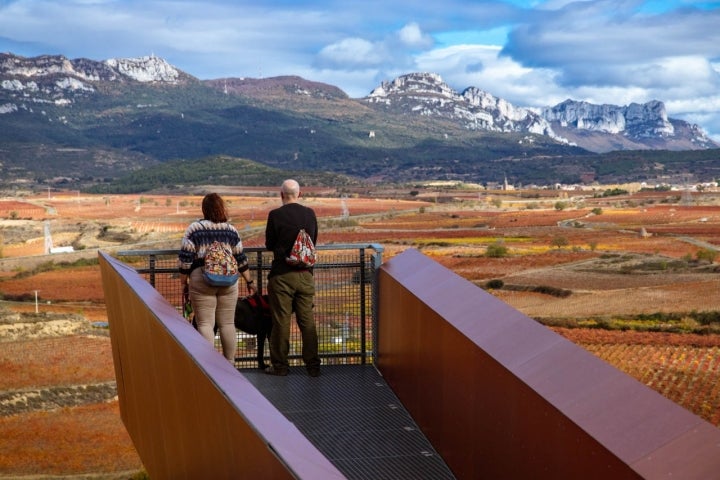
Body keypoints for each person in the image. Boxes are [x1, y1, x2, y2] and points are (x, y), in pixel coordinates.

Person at [178, 193, 256, 363]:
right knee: (227, 324)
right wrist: (249, 281)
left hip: (202, 279)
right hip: (229, 281)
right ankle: (230, 364)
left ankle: (209, 366)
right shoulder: (230, 230)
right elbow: (240, 258)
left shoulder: (195, 229)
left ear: (204, 209)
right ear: (222, 208)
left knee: (205, 323)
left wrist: (183, 282)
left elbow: (185, 258)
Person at [264, 179, 320, 377]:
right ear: (300, 194)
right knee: (307, 321)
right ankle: (313, 366)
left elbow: (269, 243)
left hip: (282, 275)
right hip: (305, 275)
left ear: (281, 194)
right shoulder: (310, 214)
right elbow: (313, 240)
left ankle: (280, 367)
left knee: (281, 321)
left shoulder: (275, 215)